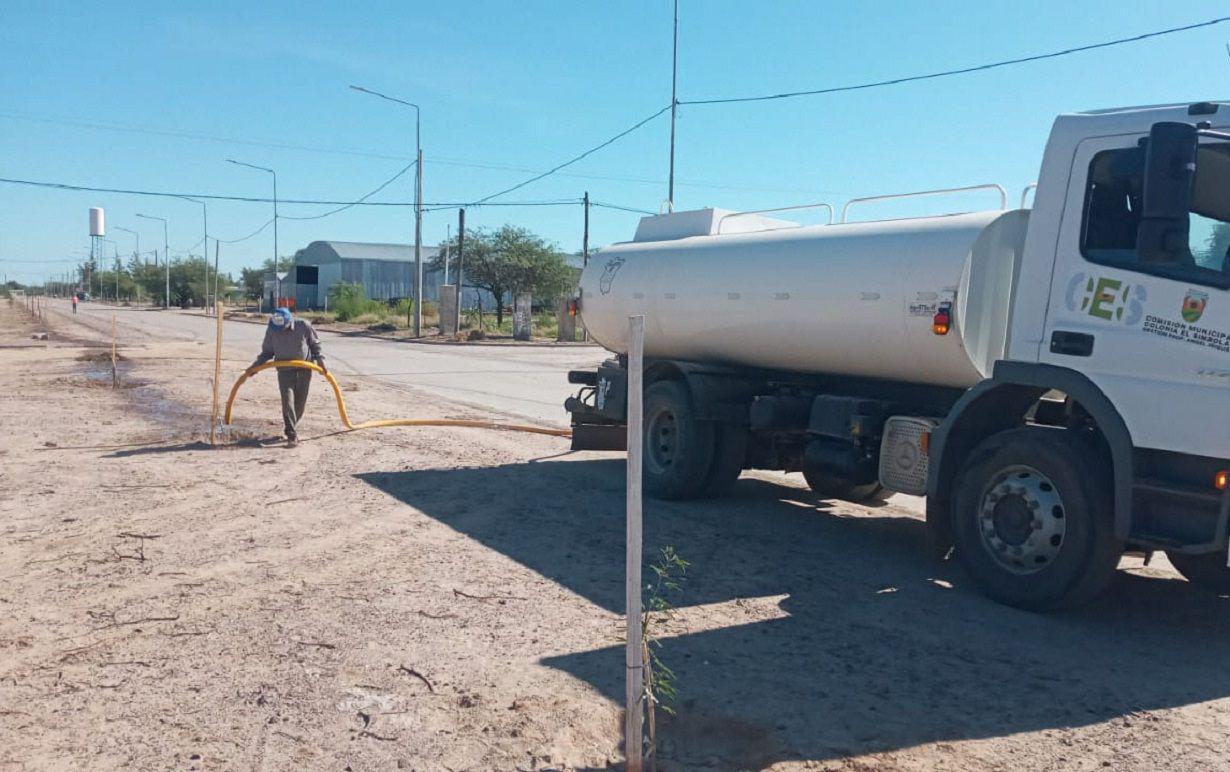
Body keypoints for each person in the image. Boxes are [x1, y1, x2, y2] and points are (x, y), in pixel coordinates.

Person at [248, 308, 326, 448]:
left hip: (304, 369)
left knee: (299, 405)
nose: (281, 331)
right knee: (287, 401)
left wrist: (320, 361)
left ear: (290, 321)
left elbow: (315, 344)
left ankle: (290, 427)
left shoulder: (303, 326)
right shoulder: (272, 329)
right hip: (284, 370)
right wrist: (255, 366)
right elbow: (267, 352)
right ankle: (291, 434)